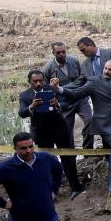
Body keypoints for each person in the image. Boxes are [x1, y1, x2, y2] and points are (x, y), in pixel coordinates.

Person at [52, 59, 111, 195]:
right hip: (105, 124)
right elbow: (77, 93)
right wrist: (59, 89)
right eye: (105, 68)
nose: (106, 71)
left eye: (110, 70)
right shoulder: (94, 82)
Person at [18, 69, 84, 198]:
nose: (38, 84)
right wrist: (32, 106)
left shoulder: (52, 89)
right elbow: (22, 113)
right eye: (35, 81)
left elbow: (67, 102)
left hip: (60, 129)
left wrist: (57, 104)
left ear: (44, 80)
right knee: (44, 160)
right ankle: (50, 189)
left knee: (68, 158)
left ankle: (76, 187)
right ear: (29, 82)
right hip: (41, 132)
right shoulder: (25, 95)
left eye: (40, 81)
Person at [43, 42, 94, 150]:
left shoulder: (74, 61)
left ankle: (88, 150)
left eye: (63, 52)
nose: (61, 54)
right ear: (53, 53)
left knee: (90, 121)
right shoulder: (48, 68)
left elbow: (83, 78)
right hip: (65, 102)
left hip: (80, 98)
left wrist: (86, 93)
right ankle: (71, 153)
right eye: (58, 52)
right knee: (66, 129)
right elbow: (47, 89)